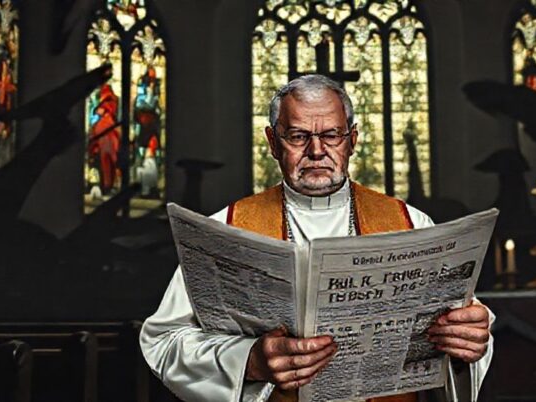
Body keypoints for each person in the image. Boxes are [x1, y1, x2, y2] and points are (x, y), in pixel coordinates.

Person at [140, 75, 494, 402]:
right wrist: (249, 361)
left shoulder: (411, 223)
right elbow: (164, 341)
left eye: (331, 135)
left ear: (351, 140)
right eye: (297, 136)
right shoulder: (226, 228)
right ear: (272, 143)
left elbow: (464, 331)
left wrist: (470, 340)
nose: (316, 150)